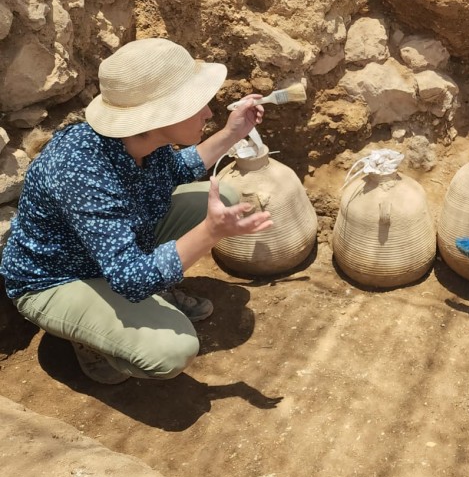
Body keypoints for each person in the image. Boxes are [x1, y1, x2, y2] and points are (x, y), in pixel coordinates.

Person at [0, 38, 273, 384]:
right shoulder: (82, 170)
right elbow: (131, 278)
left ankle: (143, 298)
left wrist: (233, 133)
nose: (208, 113)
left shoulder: (142, 140)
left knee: (224, 196)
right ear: (159, 116)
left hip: (109, 251)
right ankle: (89, 340)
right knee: (172, 350)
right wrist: (210, 232)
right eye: (196, 104)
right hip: (58, 278)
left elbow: (177, 171)